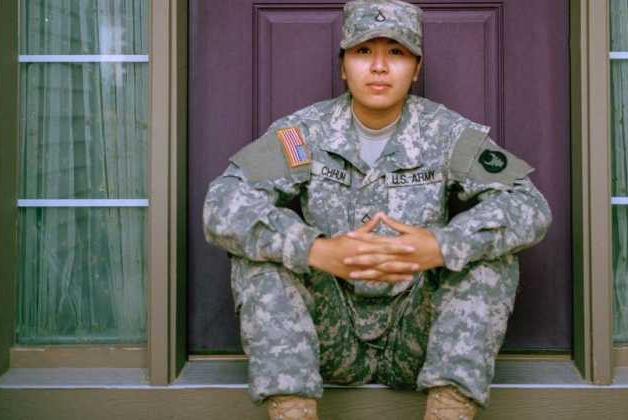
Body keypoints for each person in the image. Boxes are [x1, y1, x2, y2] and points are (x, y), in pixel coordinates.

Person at [203, 0, 552, 418]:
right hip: (328, 336)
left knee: (489, 260)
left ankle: (448, 411)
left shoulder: (447, 134)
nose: (380, 67)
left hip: (420, 339)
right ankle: (293, 412)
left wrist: (442, 245)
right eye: (364, 52)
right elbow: (222, 203)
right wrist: (316, 250)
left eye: (397, 53)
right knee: (259, 261)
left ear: (416, 68)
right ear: (343, 65)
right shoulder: (305, 133)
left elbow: (528, 204)